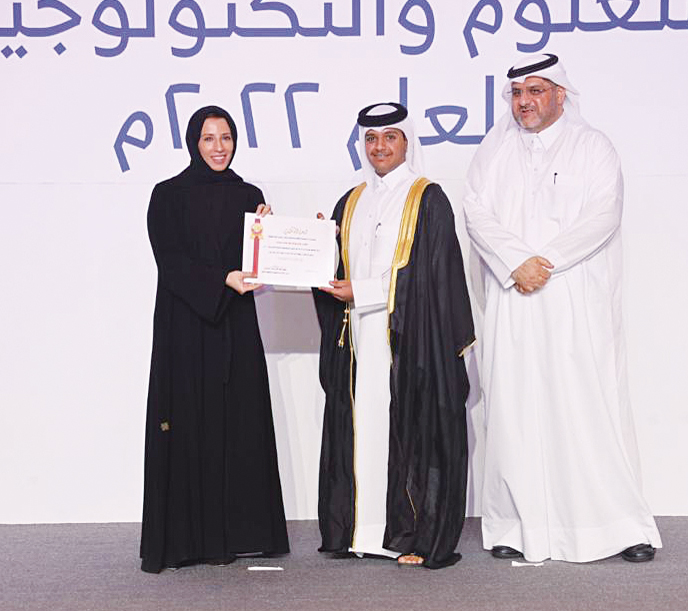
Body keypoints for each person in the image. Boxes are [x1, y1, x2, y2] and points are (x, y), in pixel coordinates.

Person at [463, 53, 662, 563]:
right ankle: (513, 525)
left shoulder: (592, 146)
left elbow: (604, 214)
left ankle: (618, 525)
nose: (524, 102)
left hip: (572, 295)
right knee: (513, 406)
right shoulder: (493, 151)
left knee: (586, 404)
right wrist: (515, 262)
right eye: (516, 93)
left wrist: (543, 261)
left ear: (559, 94)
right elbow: (476, 212)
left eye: (535, 91)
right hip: (514, 297)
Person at [312, 102, 474, 569]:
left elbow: (429, 278)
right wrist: (313, 246)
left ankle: (410, 535)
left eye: (390, 137)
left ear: (407, 143)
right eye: (371, 139)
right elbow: (336, 270)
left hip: (409, 342)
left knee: (403, 431)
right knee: (361, 428)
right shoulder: (352, 200)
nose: (379, 147)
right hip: (358, 340)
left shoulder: (428, 198)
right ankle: (360, 533)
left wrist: (359, 289)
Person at [140, 105, 290, 573]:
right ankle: (187, 540)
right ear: (193, 142)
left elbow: (255, 264)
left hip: (235, 326)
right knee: (187, 420)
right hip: (185, 327)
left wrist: (271, 236)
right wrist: (220, 280)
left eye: (226, 137)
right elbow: (172, 261)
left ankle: (242, 533)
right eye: (208, 138)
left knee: (238, 421)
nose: (219, 147)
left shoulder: (249, 194)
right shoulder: (167, 195)